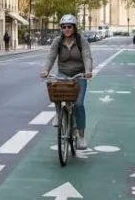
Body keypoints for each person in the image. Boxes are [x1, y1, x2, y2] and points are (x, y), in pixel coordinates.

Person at [38, 14, 94, 149]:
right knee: (56, 92)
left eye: (69, 26)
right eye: (64, 27)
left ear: (74, 27)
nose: (67, 29)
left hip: (79, 75)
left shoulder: (82, 41)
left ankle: (81, 137)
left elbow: (87, 57)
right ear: (61, 28)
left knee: (79, 105)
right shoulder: (57, 41)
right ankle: (58, 115)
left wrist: (88, 70)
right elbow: (50, 57)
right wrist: (45, 70)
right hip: (63, 73)